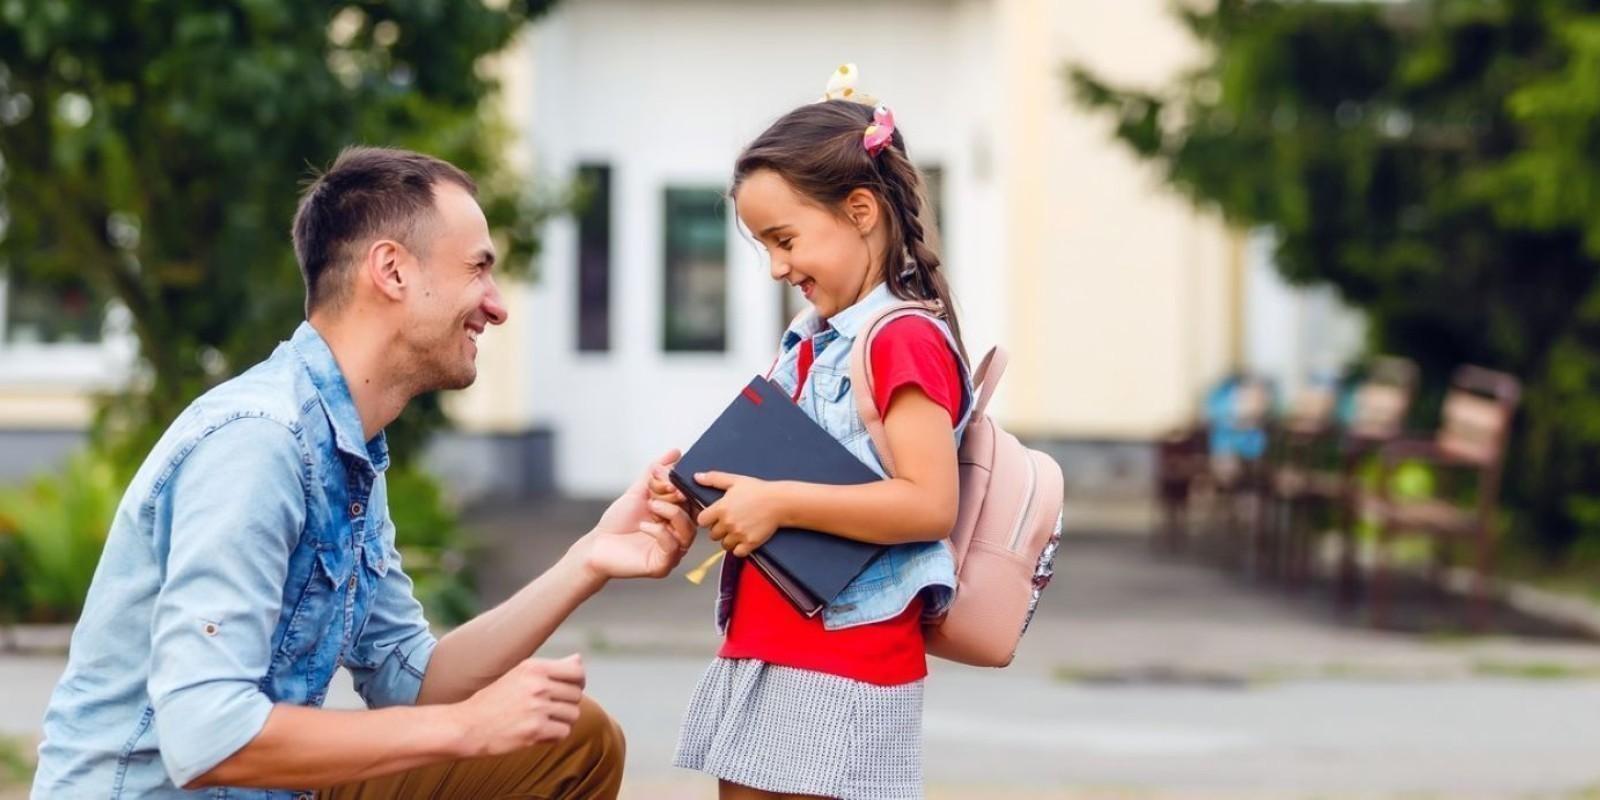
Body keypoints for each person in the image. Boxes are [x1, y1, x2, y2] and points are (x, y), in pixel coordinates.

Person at [32, 147, 697, 799]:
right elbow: (207, 736)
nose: (497, 306)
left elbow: (411, 681)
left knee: (571, 740)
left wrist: (588, 560)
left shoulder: (346, 448)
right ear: (392, 270)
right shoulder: (258, 443)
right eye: (478, 269)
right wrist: (467, 728)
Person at [654, 65, 974, 800]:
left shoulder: (901, 340)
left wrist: (777, 504)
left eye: (785, 238)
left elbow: (929, 505)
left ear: (860, 210)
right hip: (779, 637)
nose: (775, 267)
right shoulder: (815, 336)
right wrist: (704, 492)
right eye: (763, 246)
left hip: (842, 656)